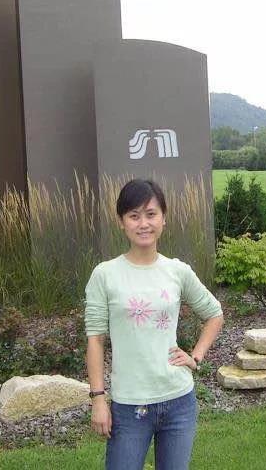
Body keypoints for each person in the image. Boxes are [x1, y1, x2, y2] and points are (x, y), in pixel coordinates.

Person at [84, 178, 224, 470]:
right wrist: (98, 398)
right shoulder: (105, 274)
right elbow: (95, 339)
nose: (143, 223)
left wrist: (196, 357)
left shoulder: (177, 271)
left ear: (163, 218)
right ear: (121, 222)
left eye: (151, 214)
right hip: (129, 406)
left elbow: (214, 314)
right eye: (134, 216)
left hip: (179, 401)